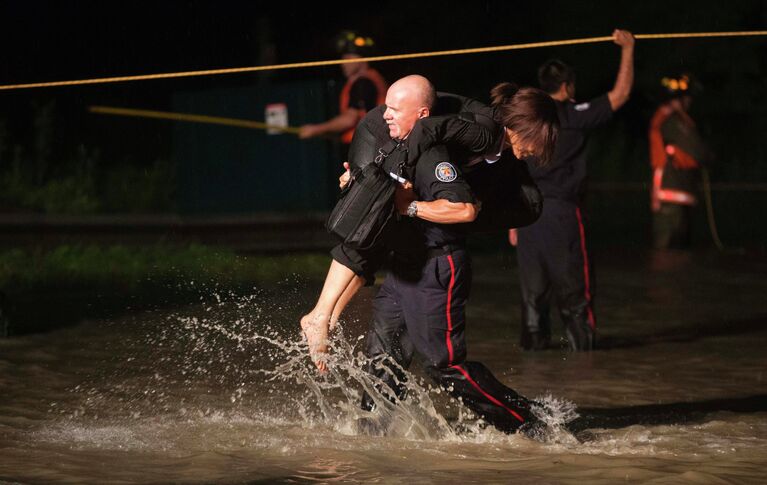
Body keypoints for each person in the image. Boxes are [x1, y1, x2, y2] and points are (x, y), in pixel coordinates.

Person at [304, 75, 559, 436]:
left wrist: (410, 206)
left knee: (444, 365)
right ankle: (369, 435)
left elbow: (490, 207)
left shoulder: (479, 153)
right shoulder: (435, 140)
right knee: (384, 359)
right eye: (539, 142)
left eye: (395, 111)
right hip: (405, 261)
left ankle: (529, 423)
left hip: (438, 264)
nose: (537, 153)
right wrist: (363, 182)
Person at [509, 29, 635, 352]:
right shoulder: (573, 115)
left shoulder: (528, 119)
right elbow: (619, 95)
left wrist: (511, 219)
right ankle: (584, 365)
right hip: (562, 214)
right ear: (566, 87)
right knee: (575, 295)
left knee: (532, 303)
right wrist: (628, 48)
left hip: (525, 215)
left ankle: (535, 378)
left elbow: (513, 164)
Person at [648, 74, 712, 249]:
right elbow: (699, 151)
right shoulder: (673, 121)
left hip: (679, 196)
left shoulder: (670, 119)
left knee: (676, 257)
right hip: (671, 198)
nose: (690, 102)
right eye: (687, 97)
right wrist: (708, 156)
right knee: (667, 253)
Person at [299, 31, 387, 146]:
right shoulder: (370, 79)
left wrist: (315, 129)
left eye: (348, 57)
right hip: (368, 144)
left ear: (362, 59)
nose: (343, 63)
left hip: (366, 147)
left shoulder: (363, 82)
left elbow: (350, 119)